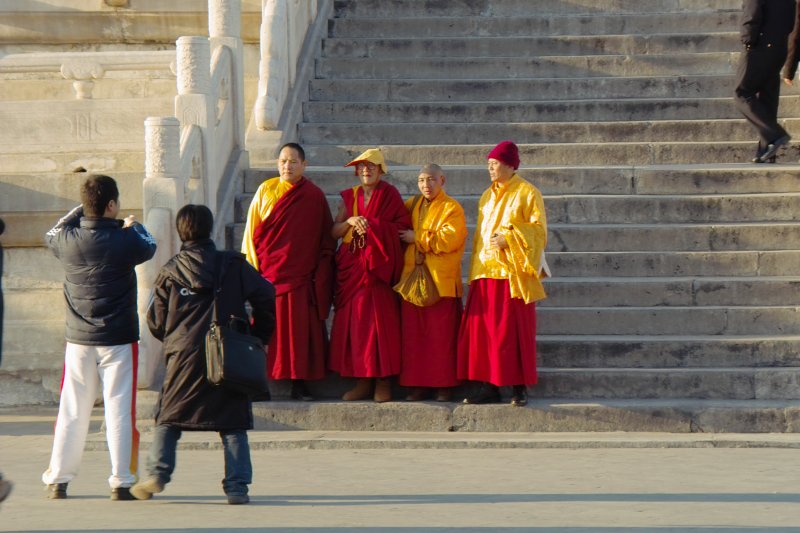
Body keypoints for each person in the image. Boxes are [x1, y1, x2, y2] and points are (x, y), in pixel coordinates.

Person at [131, 205, 275, 505]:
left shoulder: (170, 270)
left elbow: (156, 322)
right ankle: (237, 487)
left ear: (180, 231)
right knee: (233, 423)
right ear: (209, 229)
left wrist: (176, 339)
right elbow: (266, 294)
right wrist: (257, 335)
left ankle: (157, 474)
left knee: (168, 418)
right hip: (227, 351)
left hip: (183, 355)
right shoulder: (233, 265)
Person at [41, 175, 157, 500]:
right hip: (119, 337)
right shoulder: (126, 240)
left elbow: (50, 231)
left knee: (72, 409)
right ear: (111, 205)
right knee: (119, 408)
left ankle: (58, 479)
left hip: (78, 339)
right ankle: (121, 480)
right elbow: (151, 244)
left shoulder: (67, 239)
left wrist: (83, 208)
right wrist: (133, 225)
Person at [241, 142, 335, 401]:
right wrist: (254, 272)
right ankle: (259, 381)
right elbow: (252, 233)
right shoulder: (266, 190)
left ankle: (299, 383)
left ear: (304, 165)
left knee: (299, 334)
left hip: (301, 276)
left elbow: (325, 237)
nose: (287, 166)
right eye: (283, 161)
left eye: (293, 161)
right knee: (268, 331)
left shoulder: (314, 196)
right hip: (270, 276)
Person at [458, 141, 547, 407]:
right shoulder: (486, 195)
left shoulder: (528, 192)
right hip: (485, 271)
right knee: (485, 334)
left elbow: (539, 231)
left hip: (513, 274)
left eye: (495, 164)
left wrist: (509, 238)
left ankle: (519, 388)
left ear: (510, 165)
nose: (490, 169)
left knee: (513, 332)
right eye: (488, 164)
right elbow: (480, 237)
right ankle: (489, 386)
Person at [329, 148, 411, 402]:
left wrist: (374, 226)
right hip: (353, 268)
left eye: (372, 166)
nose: (366, 170)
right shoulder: (349, 197)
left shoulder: (390, 195)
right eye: (362, 167)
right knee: (357, 327)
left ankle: (383, 382)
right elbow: (334, 231)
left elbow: (403, 228)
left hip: (379, 271)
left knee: (380, 327)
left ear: (381, 170)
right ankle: (362, 381)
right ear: (356, 171)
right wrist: (351, 221)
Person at [397, 164, 467, 402]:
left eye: (431, 180)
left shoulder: (452, 208)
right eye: (421, 180)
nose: (426, 185)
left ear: (442, 180)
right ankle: (417, 385)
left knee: (440, 339)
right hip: (412, 280)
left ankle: (444, 386)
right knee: (415, 338)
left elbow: (449, 239)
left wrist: (418, 237)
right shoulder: (412, 204)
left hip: (441, 282)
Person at [734, 0, 796, 163]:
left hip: (760, 46)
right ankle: (766, 150)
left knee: (742, 93)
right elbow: (791, 22)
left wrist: (747, 40)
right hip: (779, 47)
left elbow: (751, 13)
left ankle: (774, 136)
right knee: (768, 96)